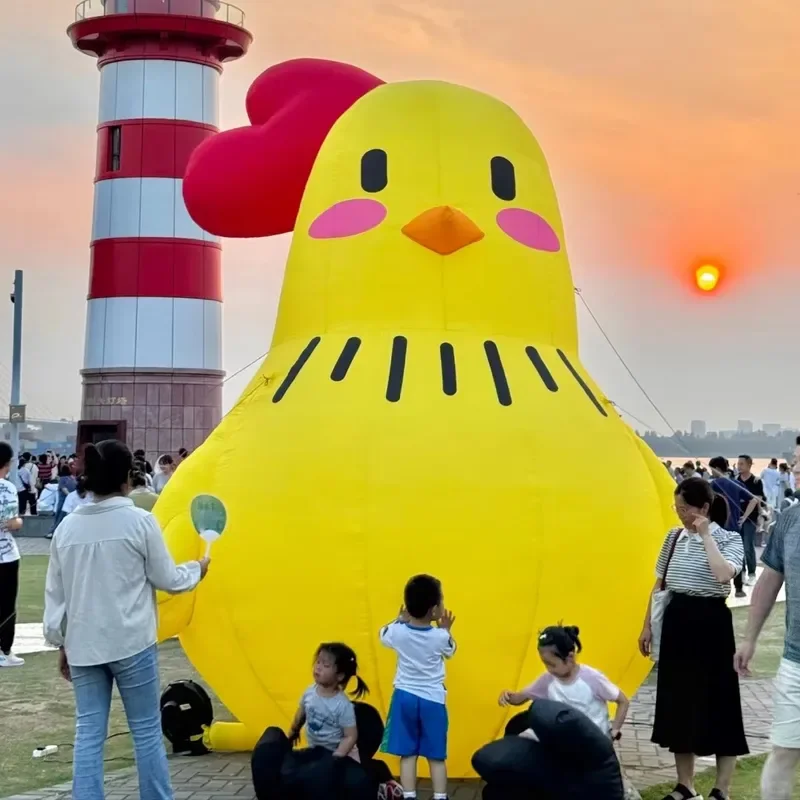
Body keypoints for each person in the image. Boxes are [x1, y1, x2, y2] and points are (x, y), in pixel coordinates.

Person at [43, 439, 209, 800]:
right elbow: (167, 578)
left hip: (83, 644)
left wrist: (60, 642)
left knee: (88, 732)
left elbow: (57, 596)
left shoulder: (67, 529)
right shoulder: (139, 521)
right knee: (146, 730)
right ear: (126, 478)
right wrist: (197, 570)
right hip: (132, 641)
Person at [638, 477, 747, 800]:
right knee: (679, 704)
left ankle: (721, 789)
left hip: (712, 623)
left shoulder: (729, 539)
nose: (680, 514)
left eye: (685, 508)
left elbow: (724, 575)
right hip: (677, 622)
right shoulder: (672, 538)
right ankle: (685, 785)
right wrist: (646, 627)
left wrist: (705, 536)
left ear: (704, 508)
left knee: (721, 704)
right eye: (677, 507)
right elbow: (660, 586)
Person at [735, 501, 800, 798]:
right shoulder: (790, 519)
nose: (797, 468)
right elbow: (770, 579)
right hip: (795, 662)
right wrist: (749, 638)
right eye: (795, 461)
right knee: (784, 750)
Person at [379, 574, 456, 800]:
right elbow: (451, 651)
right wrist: (447, 629)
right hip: (433, 699)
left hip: (404, 697)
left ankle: (409, 795)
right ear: (434, 610)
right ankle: (440, 796)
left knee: (408, 753)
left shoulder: (398, 632)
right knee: (436, 755)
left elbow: (383, 636)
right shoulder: (440, 637)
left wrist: (399, 619)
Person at [498, 624, 630, 739]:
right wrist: (507, 695)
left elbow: (623, 701)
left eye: (552, 664)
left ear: (570, 657)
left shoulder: (592, 679)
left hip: (593, 741)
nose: (549, 669)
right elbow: (520, 698)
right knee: (524, 737)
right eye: (545, 664)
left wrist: (615, 730)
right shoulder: (548, 680)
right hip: (563, 739)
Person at [287, 643, 369, 759]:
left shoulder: (342, 705)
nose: (318, 667)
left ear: (340, 676)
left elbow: (350, 736)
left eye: (325, 665)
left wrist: (337, 756)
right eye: (318, 662)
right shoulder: (310, 692)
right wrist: (293, 732)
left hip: (341, 755)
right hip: (316, 751)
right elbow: (301, 713)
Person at [709, 456, 760, 597]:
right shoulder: (736, 484)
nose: (711, 472)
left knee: (717, 558)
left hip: (718, 527)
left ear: (717, 469)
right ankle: (738, 589)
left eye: (711, 469)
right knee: (737, 557)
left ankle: (719, 589)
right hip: (735, 527)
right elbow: (754, 500)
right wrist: (743, 518)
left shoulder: (713, 484)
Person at [0, 442, 25, 668]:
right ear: (7, 463)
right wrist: (19, 521)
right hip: (4, 556)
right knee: (6, 605)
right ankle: (3, 650)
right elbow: (10, 523)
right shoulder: (6, 488)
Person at [735, 454, 766, 567]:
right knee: (738, 546)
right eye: (738, 464)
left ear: (749, 465)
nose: (739, 466)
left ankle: (752, 572)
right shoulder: (735, 480)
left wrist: (744, 517)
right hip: (736, 518)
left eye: (742, 464)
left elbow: (756, 500)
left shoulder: (756, 481)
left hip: (750, 518)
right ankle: (740, 571)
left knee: (748, 546)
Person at [48, 464, 78, 537]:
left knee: (58, 518)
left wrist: (69, 496)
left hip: (62, 502)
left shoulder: (62, 479)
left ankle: (53, 532)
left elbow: (63, 489)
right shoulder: (73, 479)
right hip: (72, 503)